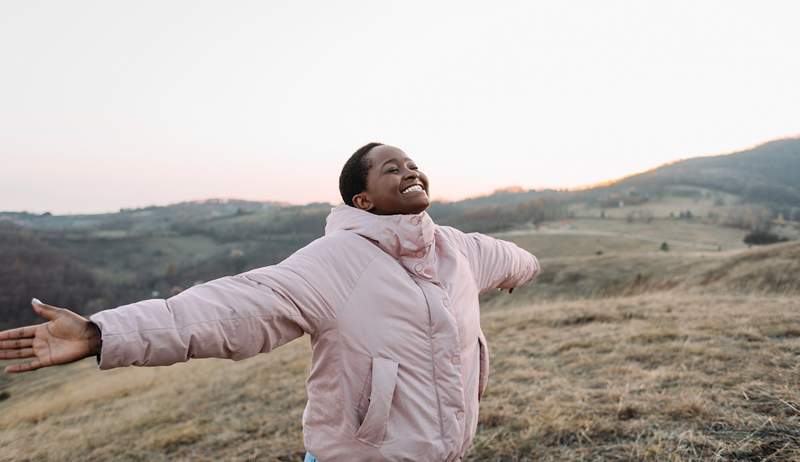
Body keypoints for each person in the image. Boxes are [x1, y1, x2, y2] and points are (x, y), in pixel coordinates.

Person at [0, 143, 541, 461]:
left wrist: (521, 272)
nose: (410, 172)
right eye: (391, 169)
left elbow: (514, 258)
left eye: (412, 163)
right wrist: (102, 333)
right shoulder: (335, 262)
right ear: (362, 199)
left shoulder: (457, 251)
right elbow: (228, 308)